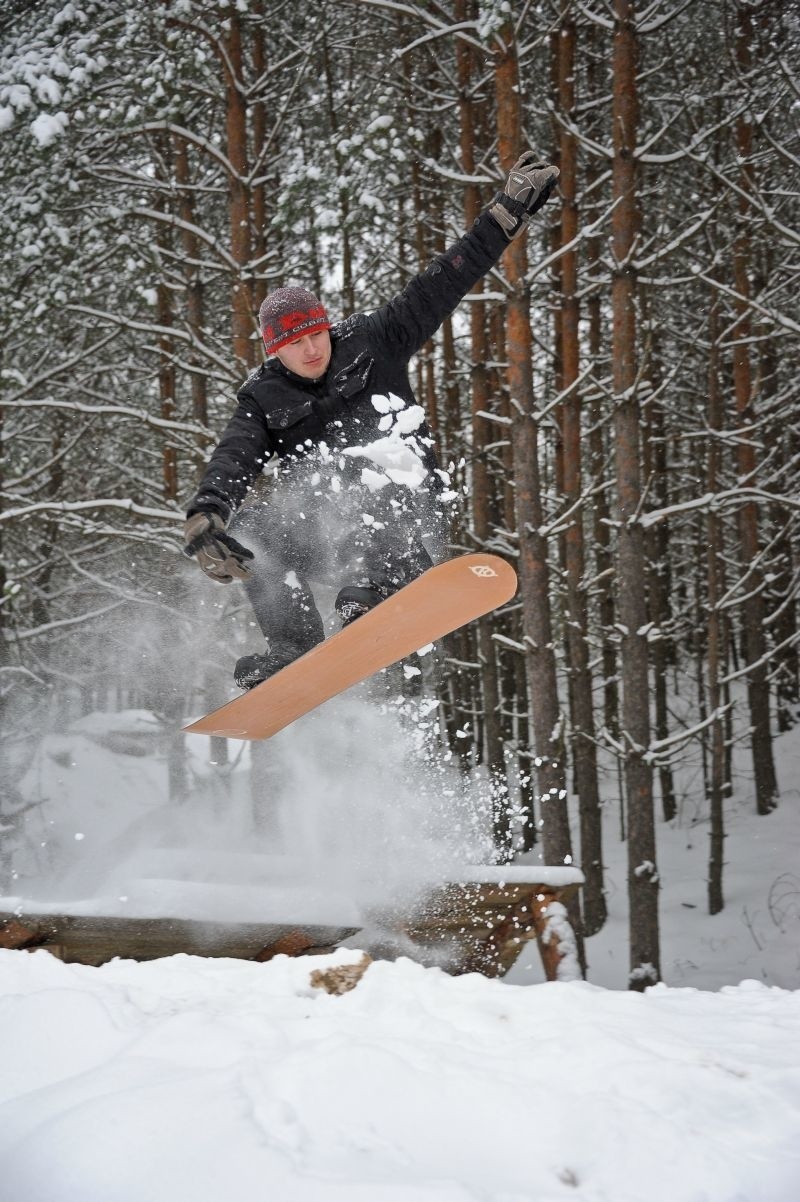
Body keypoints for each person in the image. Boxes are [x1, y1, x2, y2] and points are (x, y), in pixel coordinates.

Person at [183, 153, 559, 689]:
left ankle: (389, 584)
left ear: (327, 328)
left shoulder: (374, 339)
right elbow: (234, 455)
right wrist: (208, 514)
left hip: (400, 508)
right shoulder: (262, 398)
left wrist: (505, 213)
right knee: (256, 531)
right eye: (294, 344)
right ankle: (293, 644)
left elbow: (444, 281)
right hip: (324, 527)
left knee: (365, 470)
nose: (311, 350)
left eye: (316, 334)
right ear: (274, 351)